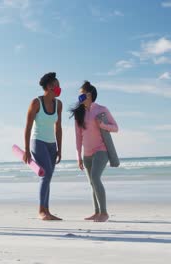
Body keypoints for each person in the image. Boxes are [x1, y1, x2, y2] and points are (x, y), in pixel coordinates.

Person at [71, 81, 118, 222]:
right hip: (87, 154)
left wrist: (102, 125)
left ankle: (104, 213)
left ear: (89, 95)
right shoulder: (79, 114)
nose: (79, 98)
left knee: (96, 178)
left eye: (81, 95)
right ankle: (96, 212)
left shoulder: (102, 109)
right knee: (92, 182)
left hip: (101, 150)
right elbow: (78, 137)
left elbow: (115, 127)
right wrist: (78, 156)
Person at [23, 72, 63, 221]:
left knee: (49, 176)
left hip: (51, 144)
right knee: (45, 174)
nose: (59, 88)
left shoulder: (59, 104)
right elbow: (27, 127)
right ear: (49, 87)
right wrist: (26, 149)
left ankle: (47, 210)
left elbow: (58, 128)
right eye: (56, 85)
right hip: (37, 141)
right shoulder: (36, 103)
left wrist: (60, 148)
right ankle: (41, 211)